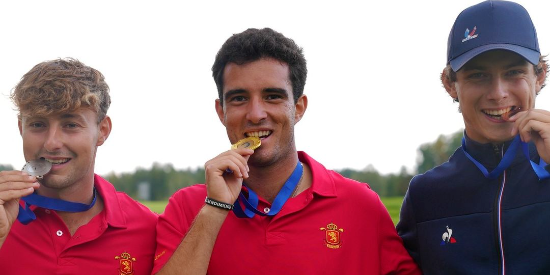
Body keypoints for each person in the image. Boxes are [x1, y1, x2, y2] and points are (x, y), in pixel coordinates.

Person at [153, 28, 420, 275]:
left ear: (299, 107)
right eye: (239, 98)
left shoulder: (361, 206)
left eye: (272, 96)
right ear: (221, 111)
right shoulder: (186, 209)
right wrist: (214, 209)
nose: (256, 114)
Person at [397, 1, 550, 274]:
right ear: (449, 84)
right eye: (478, 75)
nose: (498, 93)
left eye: (513, 72)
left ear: (539, 75)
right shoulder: (425, 196)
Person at [0, 58, 158, 274]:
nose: (51, 143)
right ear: (21, 128)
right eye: (38, 124)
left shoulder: (149, 229)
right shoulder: (2, 214)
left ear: (103, 130)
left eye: (71, 125)